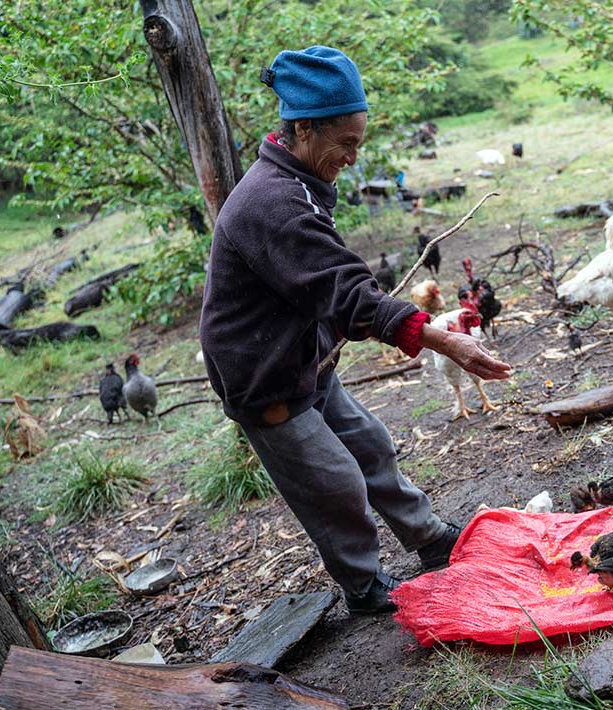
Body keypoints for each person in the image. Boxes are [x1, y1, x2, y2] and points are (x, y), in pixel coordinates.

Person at [199, 46, 511, 614]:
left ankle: (429, 538)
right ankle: (363, 585)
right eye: (345, 144)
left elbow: (328, 284)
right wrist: (440, 337)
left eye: (358, 143)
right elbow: (341, 290)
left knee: (370, 446)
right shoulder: (271, 202)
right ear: (303, 128)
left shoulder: (297, 179)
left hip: (304, 361)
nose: (352, 157)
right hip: (265, 379)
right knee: (335, 482)